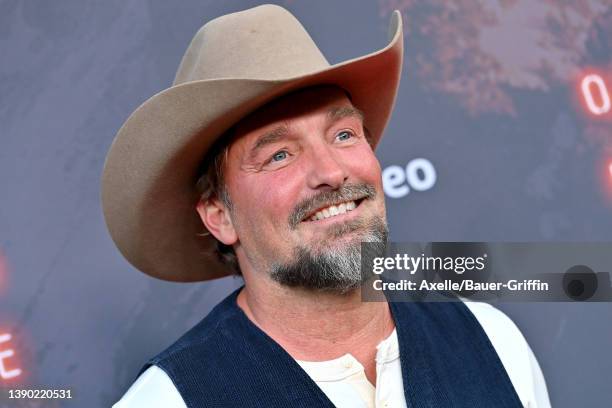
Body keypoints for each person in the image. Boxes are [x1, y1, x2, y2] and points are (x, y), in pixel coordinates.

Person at [103, 5, 551, 407]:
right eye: (279, 154)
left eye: (343, 135)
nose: (332, 172)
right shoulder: (167, 401)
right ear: (220, 216)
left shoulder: (492, 341)